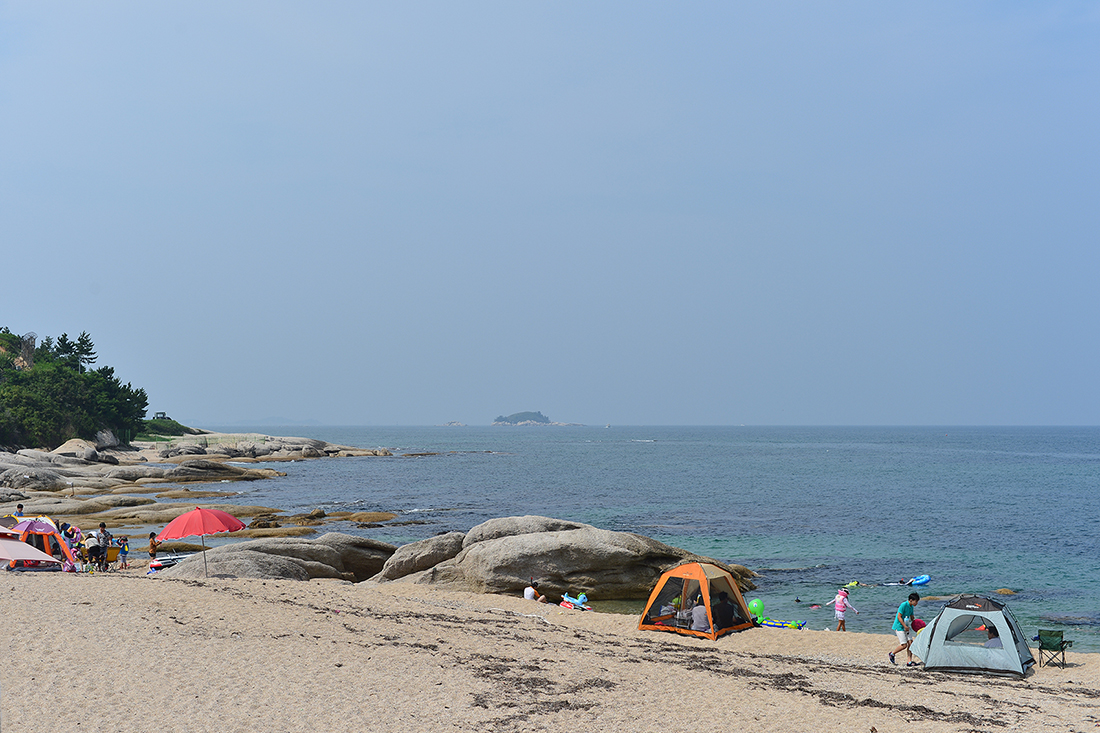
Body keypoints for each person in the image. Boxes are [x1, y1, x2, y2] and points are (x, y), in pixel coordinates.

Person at [889, 592, 920, 666]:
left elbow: (912, 617)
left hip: (906, 626)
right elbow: (899, 617)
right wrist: (904, 626)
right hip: (899, 626)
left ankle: (909, 661)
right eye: (916, 601)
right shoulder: (903, 605)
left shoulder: (911, 607)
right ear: (911, 600)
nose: (917, 603)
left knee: (911, 643)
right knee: (904, 645)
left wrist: (918, 624)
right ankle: (892, 654)